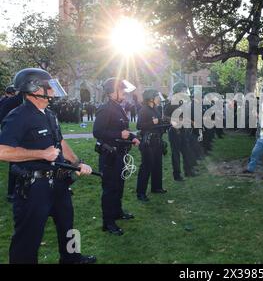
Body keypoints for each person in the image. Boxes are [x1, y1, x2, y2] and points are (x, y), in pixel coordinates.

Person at [0, 68, 96, 264]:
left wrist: (78, 163)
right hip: (34, 188)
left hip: (59, 183)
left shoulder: (50, 114)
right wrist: (41, 154)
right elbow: (2, 151)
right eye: (49, 87)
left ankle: (73, 259)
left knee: (69, 226)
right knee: (27, 238)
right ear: (34, 88)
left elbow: (60, 143)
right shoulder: (18, 116)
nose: (53, 91)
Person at [93, 77, 140, 236]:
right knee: (110, 189)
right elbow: (97, 132)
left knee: (119, 186)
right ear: (112, 92)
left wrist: (132, 136)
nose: (125, 94)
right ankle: (108, 222)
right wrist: (119, 134)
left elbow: (122, 128)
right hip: (109, 156)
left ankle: (118, 212)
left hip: (120, 154)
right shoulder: (105, 108)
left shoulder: (118, 107)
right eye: (122, 90)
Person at [136, 89, 167, 202]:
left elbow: (158, 123)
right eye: (156, 96)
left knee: (157, 165)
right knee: (146, 166)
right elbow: (139, 126)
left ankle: (156, 187)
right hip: (147, 142)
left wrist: (165, 123)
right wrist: (151, 123)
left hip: (157, 140)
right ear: (150, 98)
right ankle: (141, 193)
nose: (158, 98)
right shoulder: (144, 110)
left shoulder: (156, 109)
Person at [164, 82, 195, 181]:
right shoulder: (171, 102)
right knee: (176, 154)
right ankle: (177, 175)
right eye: (184, 90)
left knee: (187, 152)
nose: (186, 92)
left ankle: (188, 171)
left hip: (184, 130)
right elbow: (164, 117)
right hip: (174, 131)